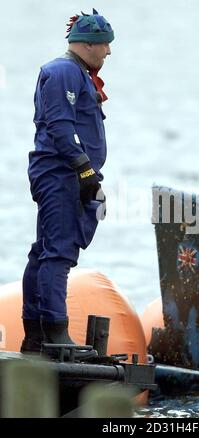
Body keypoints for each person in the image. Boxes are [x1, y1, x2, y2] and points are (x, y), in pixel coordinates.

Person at [21, 9, 114, 359]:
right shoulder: (63, 72)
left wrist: (89, 174)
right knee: (58, 252)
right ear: (88, 45)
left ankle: (35, 335)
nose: (108, 52)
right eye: (105, 44)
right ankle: (54, 333)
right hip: (61, 173)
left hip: (65, 172)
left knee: (44, 249)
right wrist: (85, 173)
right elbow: (61, 127)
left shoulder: (77, 73)